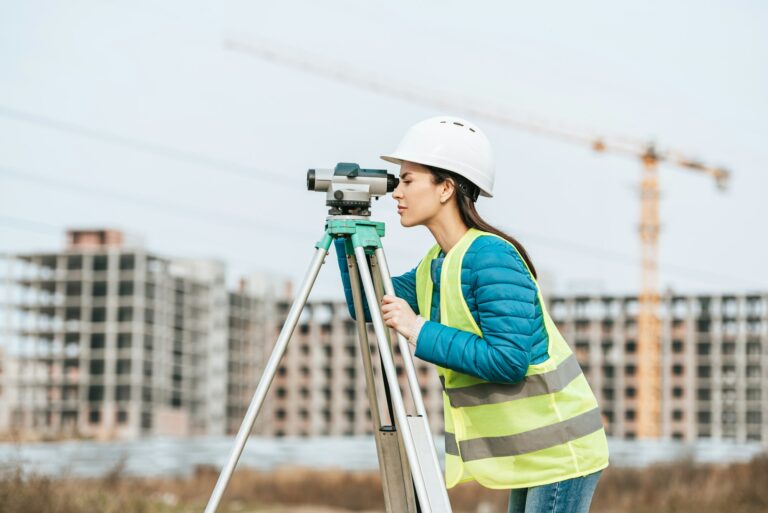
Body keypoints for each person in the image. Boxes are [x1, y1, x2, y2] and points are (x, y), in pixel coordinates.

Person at [334, 116, 609, 513]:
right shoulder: (437, 264)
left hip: (561, 451)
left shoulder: (492, 257)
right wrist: (348, 231)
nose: (396, 192)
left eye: (408, 180)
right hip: (531, 452)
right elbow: (367, 304)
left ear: (446, 187)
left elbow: (510, 360)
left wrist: (418, 329)